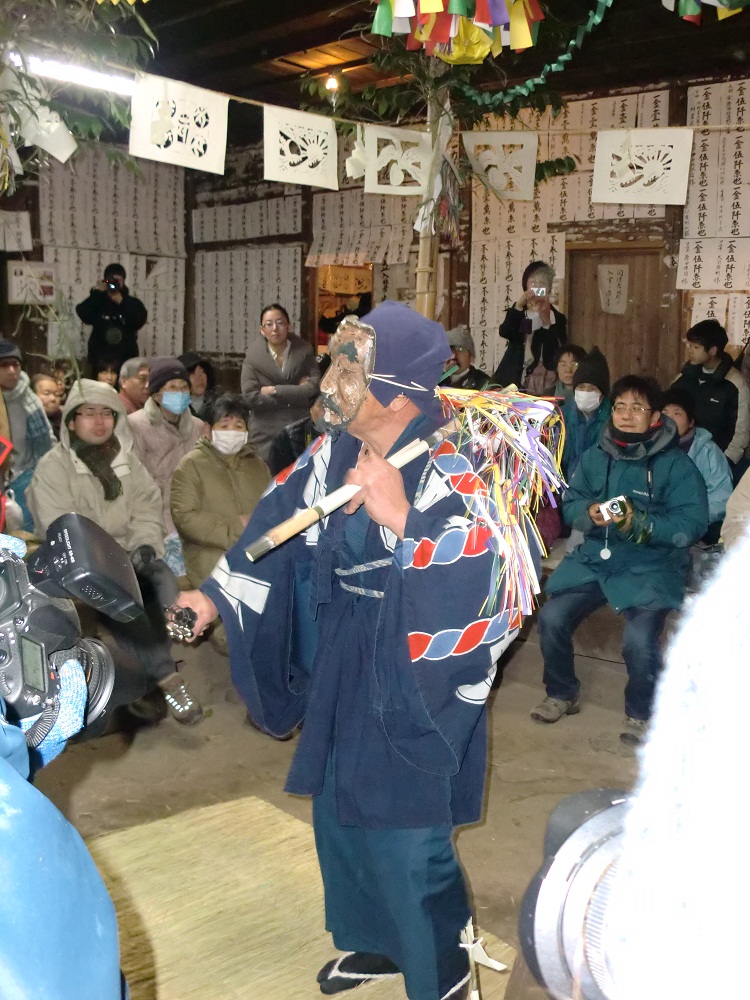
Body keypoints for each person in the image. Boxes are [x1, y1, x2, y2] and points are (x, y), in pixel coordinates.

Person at [173, 302, 528, 1000]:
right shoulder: (333, 450)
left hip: (414, 667)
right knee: (340, 811)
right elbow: (275, 522)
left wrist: (401, 518)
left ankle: (444, 975)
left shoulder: (462, 464)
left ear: (395, 394)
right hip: (343, 647)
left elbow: (499, 586)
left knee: (406, 834)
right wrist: (213, 595)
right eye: (334, 360)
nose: (328, 378)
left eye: (347, 365)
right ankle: (377, 942)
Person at [531, 375, 708, 745]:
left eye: (637, 408)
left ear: (655, 417)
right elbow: (571, 501)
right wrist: (587, 513)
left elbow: (691, 524)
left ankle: (641, 714)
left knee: (639, 640)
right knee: (551, 617)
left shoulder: (676, 465)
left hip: (653, 565)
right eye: (620, 407)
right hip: (596, 559)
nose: (626, 415)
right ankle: (562, 692)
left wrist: (640, 525)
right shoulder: (596, 456)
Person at [27, 379, 203, 725]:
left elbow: (147, 507)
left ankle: (150, 672)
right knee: (123, 603)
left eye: (106, 413)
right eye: (88, 413)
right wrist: (109, 560)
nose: (99, 421)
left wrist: (144, 545)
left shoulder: (127, 463)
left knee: (161, 582)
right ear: (71, 421)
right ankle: (166, 678)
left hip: (127, 552)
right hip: (79, 563)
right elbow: (60, 526)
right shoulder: (54, 467)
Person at [171, 394, 270, 588]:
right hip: (211, 569)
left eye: (239, 426)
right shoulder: (190, 465)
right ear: (208, 430)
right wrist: (237, 528)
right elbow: (185, 518)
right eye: (224, 426)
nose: (232, 432)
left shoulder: (258, 465)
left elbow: (272, 507)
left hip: (255, 565)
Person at [129, 357, 204, 572]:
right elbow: (135, 483)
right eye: (172, 388)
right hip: (155, 516)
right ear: (156, 395)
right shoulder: (135, 424)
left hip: (191, 514)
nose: (179, 393)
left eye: (183, 387)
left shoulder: (198, 426)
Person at [241, 303, 320, 462]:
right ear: (262, 330)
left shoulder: (304, 351)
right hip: (264, 432)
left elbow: (313, 387)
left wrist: (275, 390)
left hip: (298, 428)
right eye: (269, 324)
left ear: (288, 326)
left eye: (280, 323)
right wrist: (296, 393)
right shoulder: (252, 358)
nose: (275, 329)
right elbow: (251, 397)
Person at [671, 319, 750, 475]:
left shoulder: (735, 383)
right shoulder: (683, 377)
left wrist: (723, 463)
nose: (690, 351)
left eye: (696, 347)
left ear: (713, 350)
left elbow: (741, 433)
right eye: (689, 346)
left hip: (718, 462)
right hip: (679, 456)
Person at [661, 387, 732, 545]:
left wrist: (692, 519)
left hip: (698, 523)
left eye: (677, 413)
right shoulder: (650, 448)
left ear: (691, 421)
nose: (669, 419)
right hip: (660, 523)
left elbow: (722, 497)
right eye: (664, 413)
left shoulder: (708, 451)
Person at [0, 339, 54, 531]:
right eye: (4, 365)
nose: (12, 371)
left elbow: (49, 439)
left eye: (15, 364)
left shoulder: (30, 399)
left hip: (28, 473)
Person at [493, 261, 567, 393]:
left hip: (543, 385)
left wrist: (547, 322)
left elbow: (557, 352)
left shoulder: (557, 318)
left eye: (542, 283)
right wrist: (518, 306)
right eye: (533, 282)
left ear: (549, 288)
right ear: (525, 285)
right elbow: (505, 332)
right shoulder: (519, 313)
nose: (537, 287)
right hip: (513, 379)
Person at [76, 262, 148, 372]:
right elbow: (83, 314)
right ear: (105, 281)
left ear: (124, 281)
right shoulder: (98, 300)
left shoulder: (132, 302)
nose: (114, 283)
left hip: (125, 359)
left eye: (118, 280)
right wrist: (97, 293)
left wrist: (122, 302)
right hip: (100, 359)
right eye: (111, 280)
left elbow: (139, 320)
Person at [560, 347, 612, 482]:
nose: (585, 392)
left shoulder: (612, 419)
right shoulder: (562, 416)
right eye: (581, 387)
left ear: (602, 393)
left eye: (592, 388)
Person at [266, 394, 325, 477]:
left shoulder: (344, 436)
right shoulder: (287, 437)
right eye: (322, 406)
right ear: (311, 408)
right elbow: (278, 478)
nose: (327, 413)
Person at [442, 326, 489, 390]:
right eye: (449, 350)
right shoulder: (435, 382)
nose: (453, 356)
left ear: (471, 356)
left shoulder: (485, 384)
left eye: (460, 349)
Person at [179, 350, 218, 419]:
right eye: (192, 373)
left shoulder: (219, 405)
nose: (199, 377)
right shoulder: (174, 407)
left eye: (203, 372)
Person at [33, 372, 63, 438]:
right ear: (33, 396)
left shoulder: (65, 419)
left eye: (57, 394)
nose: (53, 398)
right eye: (47, 393)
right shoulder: (27, 420)